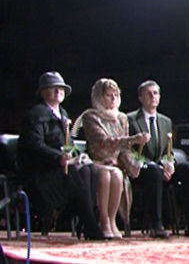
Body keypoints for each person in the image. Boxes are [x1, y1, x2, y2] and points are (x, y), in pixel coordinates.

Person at [17, 72, 105, 240]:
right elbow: (35, 146)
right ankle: (90, 224)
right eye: (53, 88)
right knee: (79, 173)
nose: (59, 91)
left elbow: (68, 144)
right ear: (44, 92)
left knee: (90, 169)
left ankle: (86, 221)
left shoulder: (63, 115)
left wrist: (77, 156)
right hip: (44, 173)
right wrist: (58, 157)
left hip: (61, 168)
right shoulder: (36, 115)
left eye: (61, 88)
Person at [127, 80, 189, 238]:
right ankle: (156, 225)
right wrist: (154, 165)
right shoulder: (130, 119)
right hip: (141, 169)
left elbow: (168, 150)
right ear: (140, 98)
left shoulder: (166, 121)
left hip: (160, 167)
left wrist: (169, 164)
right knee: (154, 172)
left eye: (155, 93)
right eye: (148, 94)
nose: (153, 96)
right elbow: (128, 150)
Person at [76, 78, 150, 239]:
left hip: (114, 163)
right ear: (99, 97)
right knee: (104, 174)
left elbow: (124, 150)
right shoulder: (90, 116)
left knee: (117, 174)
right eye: (109, 95)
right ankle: (103, 220)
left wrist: (132, 164)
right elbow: (103, 141)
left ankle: (111, 219)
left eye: (116, 95)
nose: (113, 99)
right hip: (95, 161)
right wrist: (132, 139)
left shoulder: (122, 118)